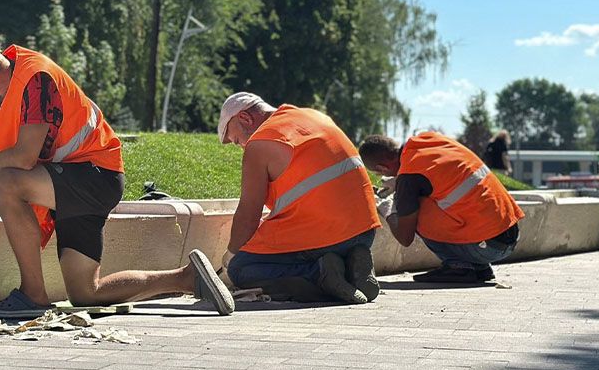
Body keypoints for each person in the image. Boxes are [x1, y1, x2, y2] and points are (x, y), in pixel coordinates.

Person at [0, 30, 234, 318]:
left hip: (95, 177)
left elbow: (24, 158)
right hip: (73, 181)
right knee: (85, 292)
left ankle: (32, 295)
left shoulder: (35, 79)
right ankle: (187, 278)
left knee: (7, 182)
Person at [218, 92, 381, 304]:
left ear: (245, 119)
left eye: (237, 140)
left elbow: (248, 215)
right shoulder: (313, 116)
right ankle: (352, 266)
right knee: (329, 252)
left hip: (325, 238)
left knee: (243, 269)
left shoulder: (259, 143)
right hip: (365, 233)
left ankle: (320, 274)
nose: (241, 147)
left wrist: (230, 259)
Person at [358, 132, 524, 284]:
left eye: (380, 174)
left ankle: (459, 267)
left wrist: (388, 209)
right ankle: (477, 267)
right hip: (509, 233)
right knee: (427, 199)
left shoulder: (409, 178)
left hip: (489, 248)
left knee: (413, 209)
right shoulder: (428, 140)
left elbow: (405, 237)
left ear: (382, 168)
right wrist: (399, 183)